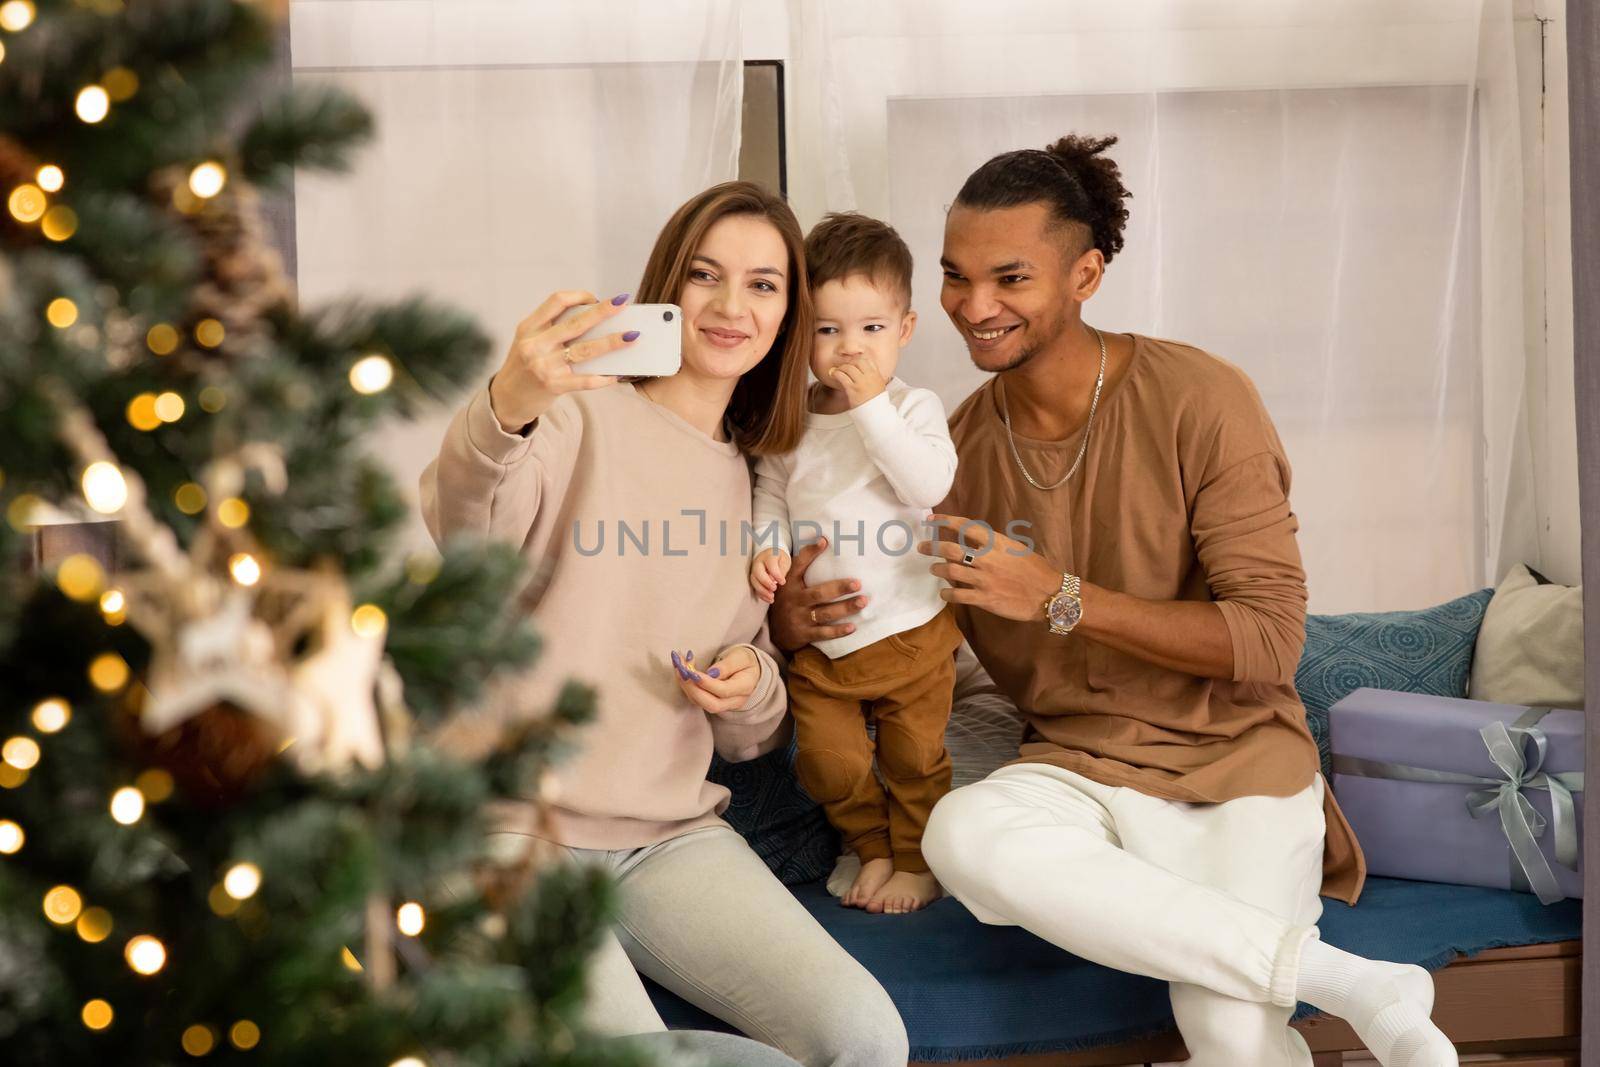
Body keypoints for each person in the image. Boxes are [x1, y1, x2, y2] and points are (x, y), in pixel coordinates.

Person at [771, 137, 1458, 1067]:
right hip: (1073, 774)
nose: (975, 306)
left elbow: (1269, 640)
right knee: (964, 833)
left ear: (1086, 272)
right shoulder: (939, 456)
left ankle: (1327, 979)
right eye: (954, 277)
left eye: (1010, 276)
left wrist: (1055, 595)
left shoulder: (1201, 398)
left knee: (1225, 1028)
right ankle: (1351, 978)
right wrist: (793, 621)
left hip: (1236, 767)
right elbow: (898, 626)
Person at [420, 181, 909, 1067]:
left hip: (669, 837)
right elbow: (465, 530)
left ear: (790, 314)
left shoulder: (763, 478)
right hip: (511, 826)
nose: (731, 306)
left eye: (764, 285)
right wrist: (508, 399)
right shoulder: (574, 416)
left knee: (868, 1038)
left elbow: (753, 733)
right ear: (663, 289)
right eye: (705, 275)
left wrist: (751, 681)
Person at [749, 212, 962, 914]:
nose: (850, 349)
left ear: (905, 329)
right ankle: (868, 845)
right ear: (801, 334)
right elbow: (772, 492)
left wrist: (872, 405)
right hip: (826, 646)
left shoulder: (911, 406)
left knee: (913, 758)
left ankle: (915, 859)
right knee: (829, 762)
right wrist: (769, 548)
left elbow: (925, 485)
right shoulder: (796, 419)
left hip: (910, 627)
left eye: (872, 329)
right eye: (829, 330)